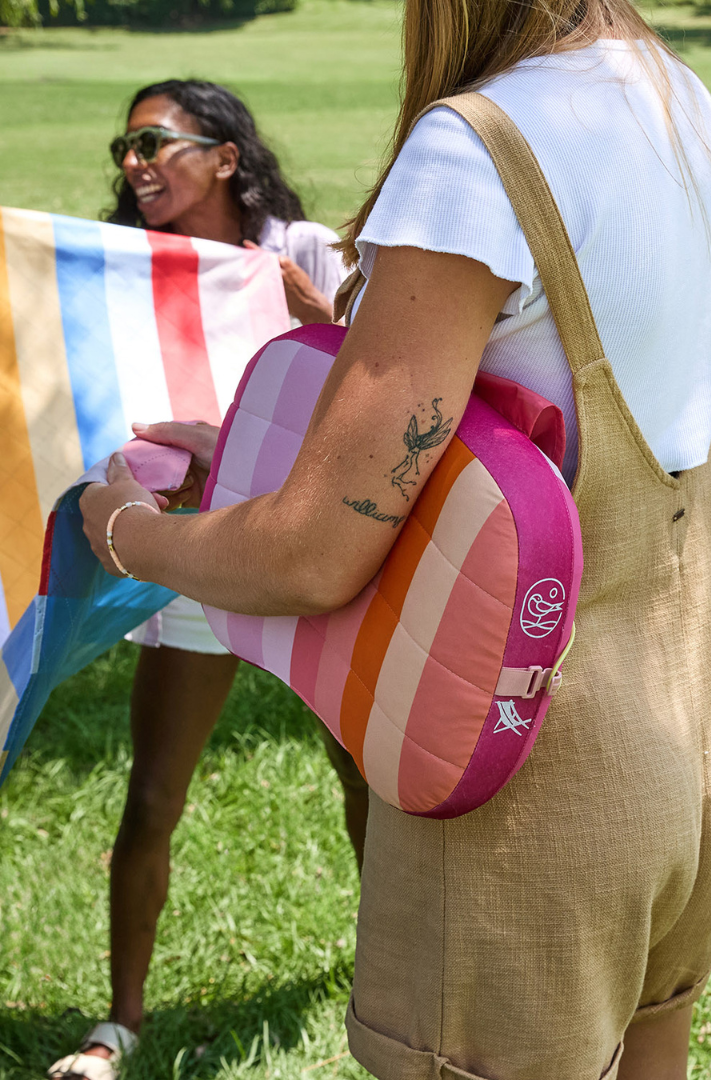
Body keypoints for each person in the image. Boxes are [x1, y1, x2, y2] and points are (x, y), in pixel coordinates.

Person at [79, 3, 711, 1077]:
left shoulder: (477, 149)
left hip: (522, 773)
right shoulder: (675, 94)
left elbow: (312, 555)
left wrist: (126, 534)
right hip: (697, 738)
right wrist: (266, 458)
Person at [48, 81, 362, 1080]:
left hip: (311, 556)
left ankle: (394, 980)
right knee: (151, 798)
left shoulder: (308, 251)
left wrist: (311, 309)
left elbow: (390, 385)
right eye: (124, 146)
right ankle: (119, 1027)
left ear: (227, 156)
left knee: (366, 783)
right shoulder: (124, 273)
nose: (134, 163)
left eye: (156, 142)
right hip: (191, 560)